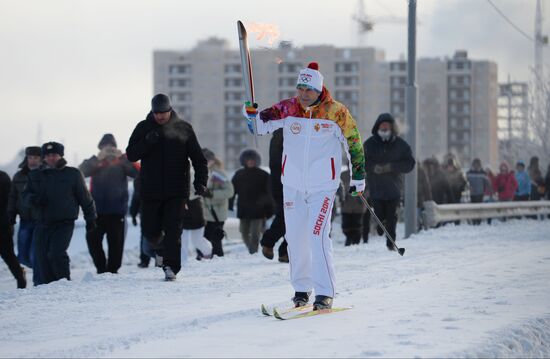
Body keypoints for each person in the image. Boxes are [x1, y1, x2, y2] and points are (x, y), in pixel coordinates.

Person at [243, 62, 366, 310]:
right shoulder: (288, 108)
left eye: (308, 89)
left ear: (318, 89)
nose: (303, 94)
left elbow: (354, 143)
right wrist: (251, 113)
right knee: (295, 238)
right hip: (293, 185)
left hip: (323, 186)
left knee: (317, 235)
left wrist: (357, 177)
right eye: (300, 88)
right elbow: (259, 127)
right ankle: (301, 289)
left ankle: (324, 292)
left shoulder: (336, 112)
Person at [126, 94, 208, 281]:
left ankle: (171, 267)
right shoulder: (143, 127)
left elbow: (198, 159)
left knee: (173, 229)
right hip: (150, 190)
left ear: (170, 110)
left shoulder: (184, 128)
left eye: (164, 113)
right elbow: (131, 155)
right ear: (152, 112)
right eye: (157, 113)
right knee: (150, 231)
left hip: (177, 190)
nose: (161, 117)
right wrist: (147, 141)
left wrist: (201, 182)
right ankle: (161, 253)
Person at [22, 142, 96, 284]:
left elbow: (85, 197)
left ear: (60, 155)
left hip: (64, 223)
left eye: (54, 155)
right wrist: (34, 199)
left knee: (56, 254)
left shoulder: (72, 174)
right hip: (42, 223)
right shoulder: (35, 175)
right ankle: (47, 290)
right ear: (43, 157)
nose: (51, 158)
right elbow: (25, 197)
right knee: (42, 258)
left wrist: (90, 218)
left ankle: (63, 284)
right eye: (48, 155)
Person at [79, 134, 138, 274]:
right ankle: (100, 268)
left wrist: (124, 158)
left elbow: (138, 173)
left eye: (111, 147)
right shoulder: (95, 162)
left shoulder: (121, 161)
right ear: (100, 148)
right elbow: (80, 172)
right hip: (96, 211)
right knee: (92, 240)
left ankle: (112, 270)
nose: (109, 150)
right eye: (106, 147)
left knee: (116, 244)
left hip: (117, 211)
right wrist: (97, 159)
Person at [363, 113, 415, 249]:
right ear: (377, 127)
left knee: (392, 217)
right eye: (382, 125)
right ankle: (381, 226)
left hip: (394, 189)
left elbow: (410, 163)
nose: (385, 127)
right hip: (376, 189)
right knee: (379, 216)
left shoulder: (401, 145)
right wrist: (374, 168)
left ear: (392, 127)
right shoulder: (369, 144)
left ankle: (391, 243)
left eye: (387, 125)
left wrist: (391, 167)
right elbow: (360, 161)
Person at [7, 146, 41, 281]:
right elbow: (12, 197)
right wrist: (11, 215)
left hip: (40, 221)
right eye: (30, 158)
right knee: (22, 257)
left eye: (36, 158)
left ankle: (40, 282)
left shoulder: (46, 174)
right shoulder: (19, 176)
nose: (33, 161)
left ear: (41, 159)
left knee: (35, 255)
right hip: (25, 220)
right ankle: (43, 270)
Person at [229, 149, 272, 255]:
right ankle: (251, 249)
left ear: (256, 160)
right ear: (244, 160)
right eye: (248, 160)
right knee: (243, 232)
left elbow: (269, 193)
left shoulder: (264, 175)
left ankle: (253, 252)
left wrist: (269, 209)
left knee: (255, 233)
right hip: (243, 208)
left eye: (253, 160)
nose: (250, 162)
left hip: (258, 210)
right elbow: (232, 191)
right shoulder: (238, 174)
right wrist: (230, 203)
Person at [260, 129, 289, 262]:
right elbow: (278, 163)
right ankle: (269, 242)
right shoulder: (282, 135)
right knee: (287, 217)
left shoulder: (287, 133)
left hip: (291, 182)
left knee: (296, 219)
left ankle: (285, 251)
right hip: (283, 183)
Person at [202, 148, 233, 257]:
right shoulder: (201, 172)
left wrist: (211, 194)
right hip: (205, 213)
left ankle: (216, 260)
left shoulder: (216, 174)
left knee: (214, 240)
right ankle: (207, 258)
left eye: (207, 160)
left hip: (216, 214)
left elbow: (229, 191)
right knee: (205, 239)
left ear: (212, 160)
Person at [180, 168, 213, 265]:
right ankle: (182, 263)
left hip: (195, 206)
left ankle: (208, 252)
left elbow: (203, 188)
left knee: (197, 240)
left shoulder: (194, 171)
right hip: (180, 205)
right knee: (182, 240)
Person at [0, 170, 26, 288]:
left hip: (3, 224)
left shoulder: (3, 177)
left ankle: (20, 278)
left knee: (7, 254)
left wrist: (9, 221)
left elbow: (10, 201)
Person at [129, 174, 155, 268]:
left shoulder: (159, 174)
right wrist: (133, 214)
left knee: (160, 235)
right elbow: (136, 198)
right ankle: (145, 259)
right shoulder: (139, 179)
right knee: (145, 236)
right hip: (145, 212)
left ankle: (159, 258)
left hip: (158, 210)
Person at [340, 167, 368, 246]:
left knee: (357, 225)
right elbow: (339, 188)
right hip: (346, 206)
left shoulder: (362, 175)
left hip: (358, 206)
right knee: (346, 226)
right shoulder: (343, 175)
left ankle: (356, 242)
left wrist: (363, 198)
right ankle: (348, 238)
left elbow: (367, 189)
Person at [466, 158, 492, 225]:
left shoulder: (483, 173)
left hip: (480, 193)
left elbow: (488, 182)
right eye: (475, 164)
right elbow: (465, 182)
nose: (476, 165)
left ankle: (478, 220)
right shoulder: (469, 172)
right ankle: (474, 220)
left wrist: (490, 190)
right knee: (473, 208)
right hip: (472, 194)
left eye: (478, 164)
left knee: (479, 208)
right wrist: (468, 187)